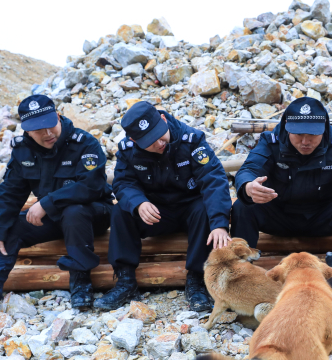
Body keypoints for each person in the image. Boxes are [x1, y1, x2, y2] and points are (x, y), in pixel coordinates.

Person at [0, 95, 113, 315]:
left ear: (57, 116)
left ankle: (81, 282)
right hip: (56, 217)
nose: (47, 134)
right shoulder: (23, 151)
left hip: (94, 215)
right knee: (9, 227)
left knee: (74, 211)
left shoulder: (83, 143)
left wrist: (47, 202)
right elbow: (9, 194)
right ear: (27, 130)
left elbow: (91, 186)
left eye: (50, 125)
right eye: (38, 130)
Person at [95, 101, 231, 312]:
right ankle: (125, 281)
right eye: (150, 142)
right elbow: (122, 183)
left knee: (204, 208)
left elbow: (214, 180)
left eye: (160, 135)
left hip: (190, 210)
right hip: (155, 213)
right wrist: (138, 202)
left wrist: (220, 223)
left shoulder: (192, 140)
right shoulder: (128, 150)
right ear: (134, 139)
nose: (159, 143)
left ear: (164, 120)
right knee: (121, 210)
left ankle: (196, 280)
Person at [231, 97, 332, 261]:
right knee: (242, 207)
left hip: (322, 215)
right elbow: (249, 169)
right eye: (298, 134)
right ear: (287, 128)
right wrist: (248, 187)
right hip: (278, 214)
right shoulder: (270, 141)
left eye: (312, 134)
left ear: (324, 129)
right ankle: (239, 271)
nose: (305, 141)